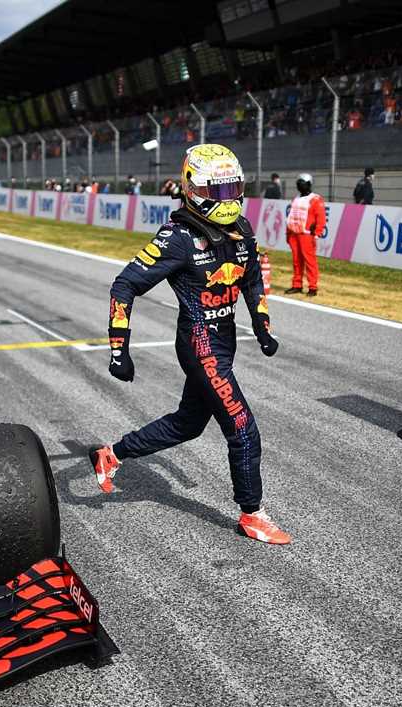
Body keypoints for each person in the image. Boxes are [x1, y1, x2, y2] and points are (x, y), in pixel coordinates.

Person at [89, 143, 290, 545]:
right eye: (218, 191)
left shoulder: (242, 229)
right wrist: (118, 348)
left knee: (188, 423)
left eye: (233, 188)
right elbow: (124, 284)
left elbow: (250, 280)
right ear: (194, 190)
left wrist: (263, 325)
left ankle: (112, 454)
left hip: (225, 342)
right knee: (244, 430)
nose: (228, 198)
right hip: (199, 345)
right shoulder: (177, 237)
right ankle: (252, 514)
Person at [284, 172, 325, 297]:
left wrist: (317, 232)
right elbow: (292, 216)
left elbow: (321, 218)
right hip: (294, 234)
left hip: (307, 235)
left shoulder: (316, 199)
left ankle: (313, 286)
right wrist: (288, 233)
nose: (300, 185)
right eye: (299, 183)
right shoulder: (296, 199)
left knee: (310, 261)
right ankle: (297, 285)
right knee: (297, 261)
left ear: (308, 184)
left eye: (302, 183)